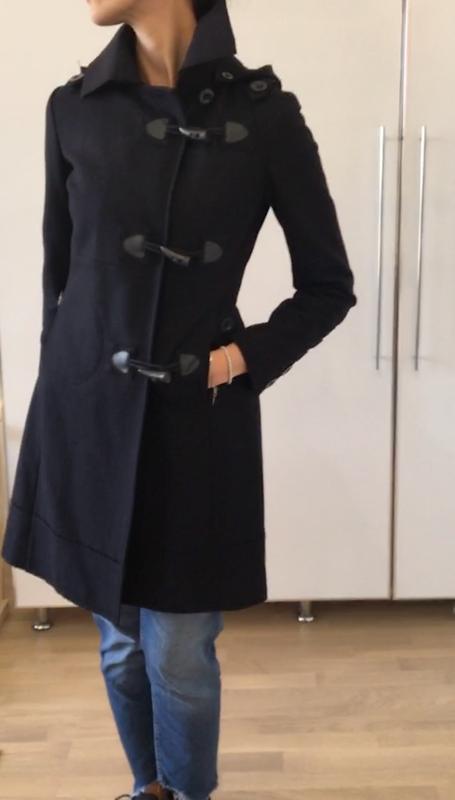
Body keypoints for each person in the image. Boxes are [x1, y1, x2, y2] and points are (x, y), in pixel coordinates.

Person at [2, 0, 357, 798]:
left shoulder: (264, 116)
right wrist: (57, 405)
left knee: (179, 653)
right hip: (88, 418)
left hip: (196, 424)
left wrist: (234, 361)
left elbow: (327, 287)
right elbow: (60, 278)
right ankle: (147, 789)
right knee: (120, 644)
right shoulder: (72, 109)